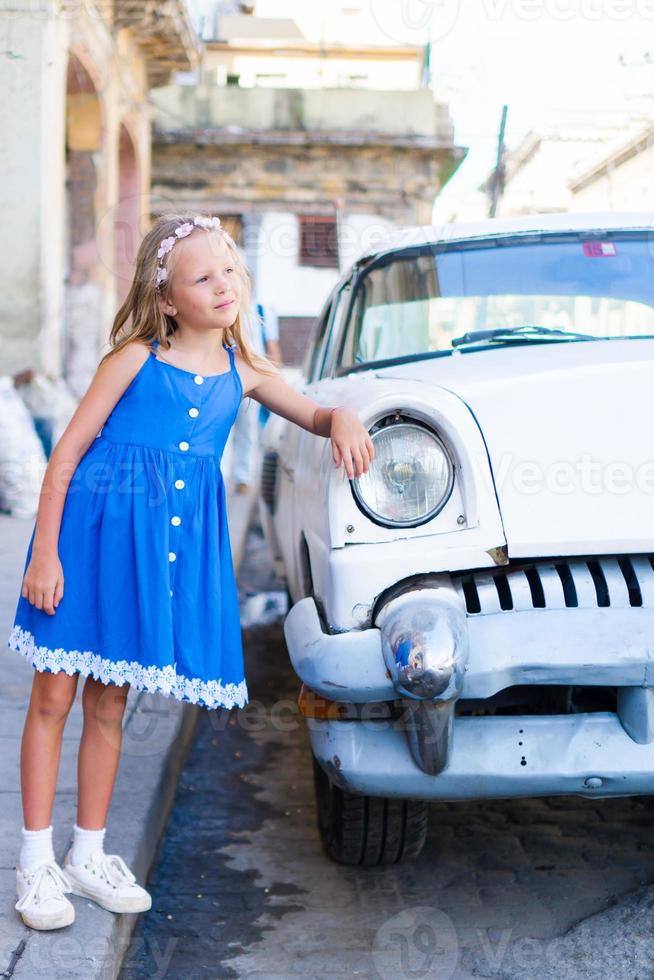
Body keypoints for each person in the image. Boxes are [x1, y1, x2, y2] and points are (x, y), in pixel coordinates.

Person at [5, 211, 374, 931]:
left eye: (229, 270)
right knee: (52, 699)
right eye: (203, 276)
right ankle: (34, 861)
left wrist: (345, 421)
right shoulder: (135, 360)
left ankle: (88, 852)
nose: (223, 284)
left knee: (111, 704)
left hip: (148, 559)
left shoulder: (246, 371)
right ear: (168, 299)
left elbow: (315, 413)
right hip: (87, 540)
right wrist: (44, 553)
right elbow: (66, 457)